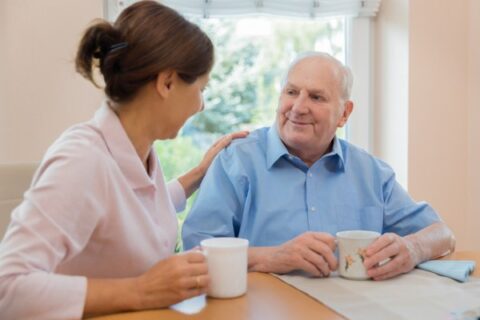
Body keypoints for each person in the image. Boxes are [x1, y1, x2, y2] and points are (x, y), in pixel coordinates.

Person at [0, 1, 248, 319]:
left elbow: (134, 207)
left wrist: (199, 174)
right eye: (201, 88)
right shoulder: (83, 160)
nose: (201, 105)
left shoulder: (138, 149)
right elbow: (8, 289)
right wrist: (142, 290)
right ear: (167, 82)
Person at [182, 52, 455, 281]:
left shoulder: (371, 172)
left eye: (316, 97)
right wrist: (272, 257)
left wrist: (413, 248)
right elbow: (195, 253)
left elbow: (442, 234)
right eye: (291, 92)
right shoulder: (236, 161)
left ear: (344, 114)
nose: (298, 107)